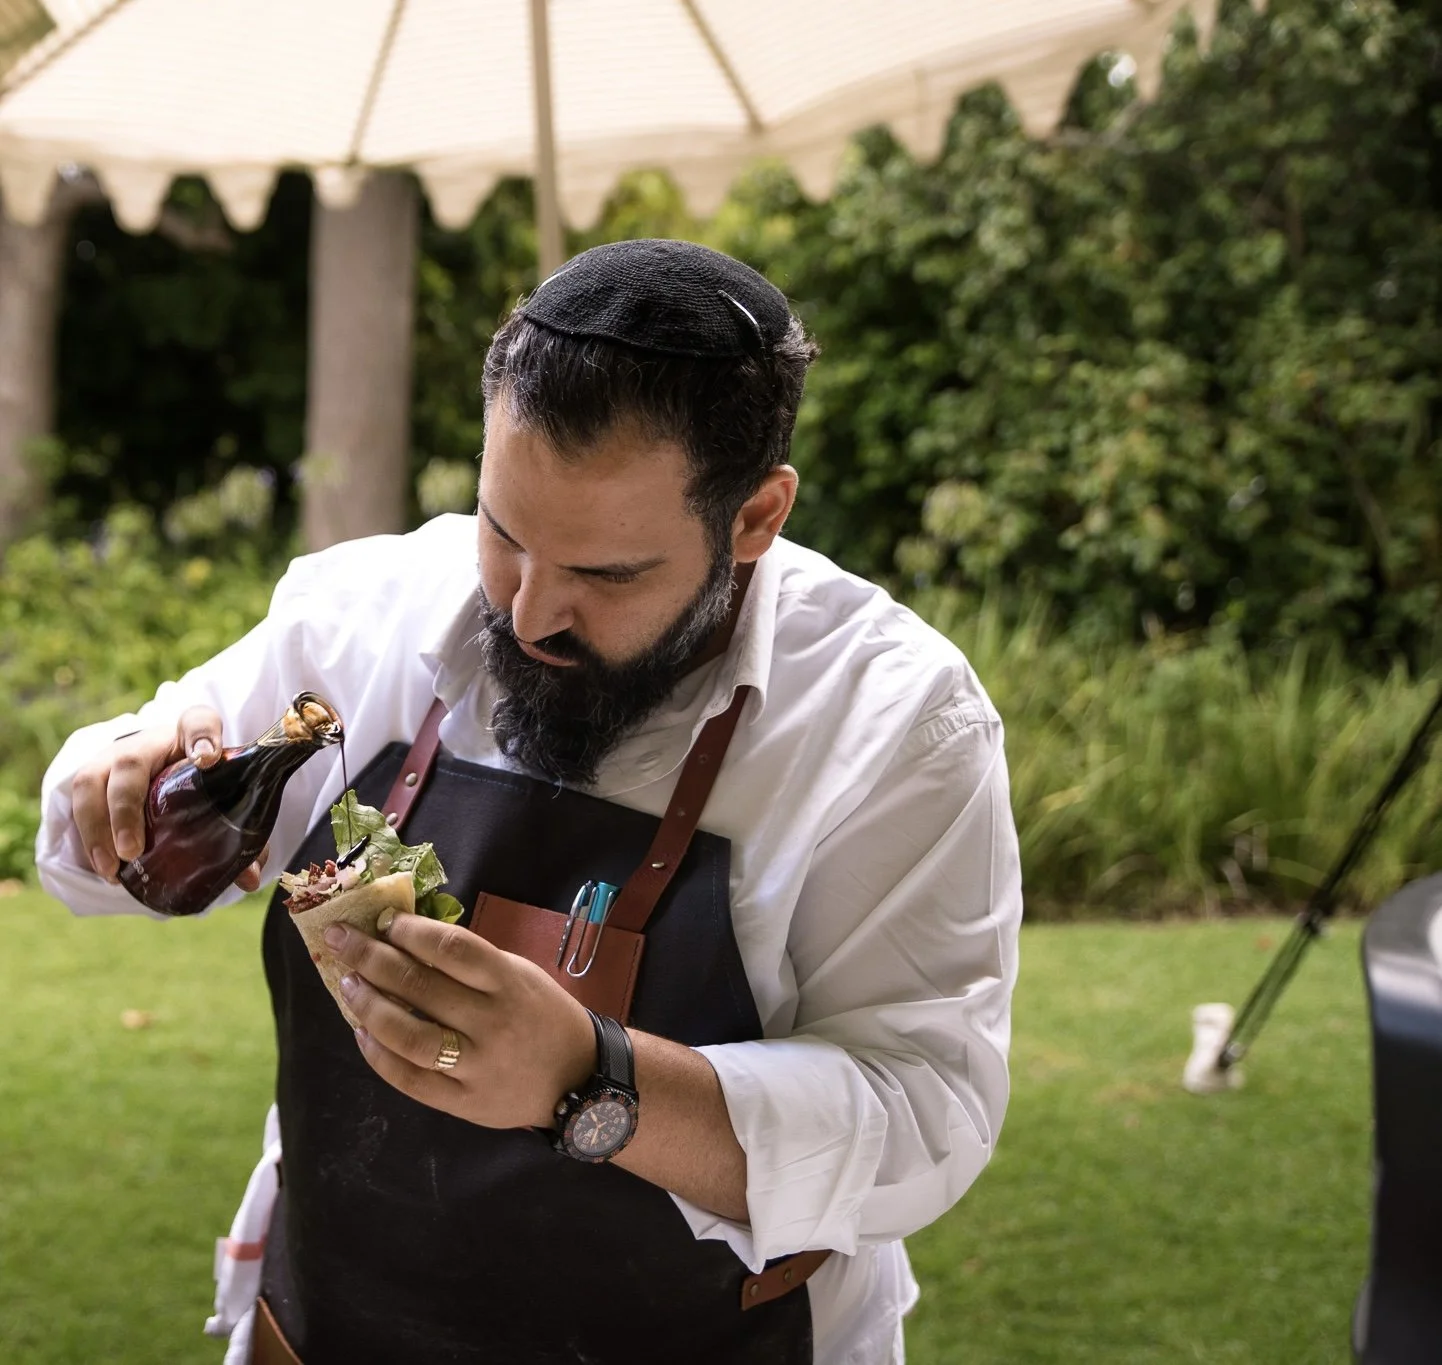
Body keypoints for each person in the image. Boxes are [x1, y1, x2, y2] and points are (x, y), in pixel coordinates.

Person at [36, 239, 1023, 1365]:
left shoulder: (896, 718)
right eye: (503, 533)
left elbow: (925, 1117)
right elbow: (84, 860)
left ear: (756, 516)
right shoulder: (362, 607)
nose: (529, 612)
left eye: (606, 574)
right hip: (325, 1325)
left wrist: (591, 1081)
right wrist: (115, 774)